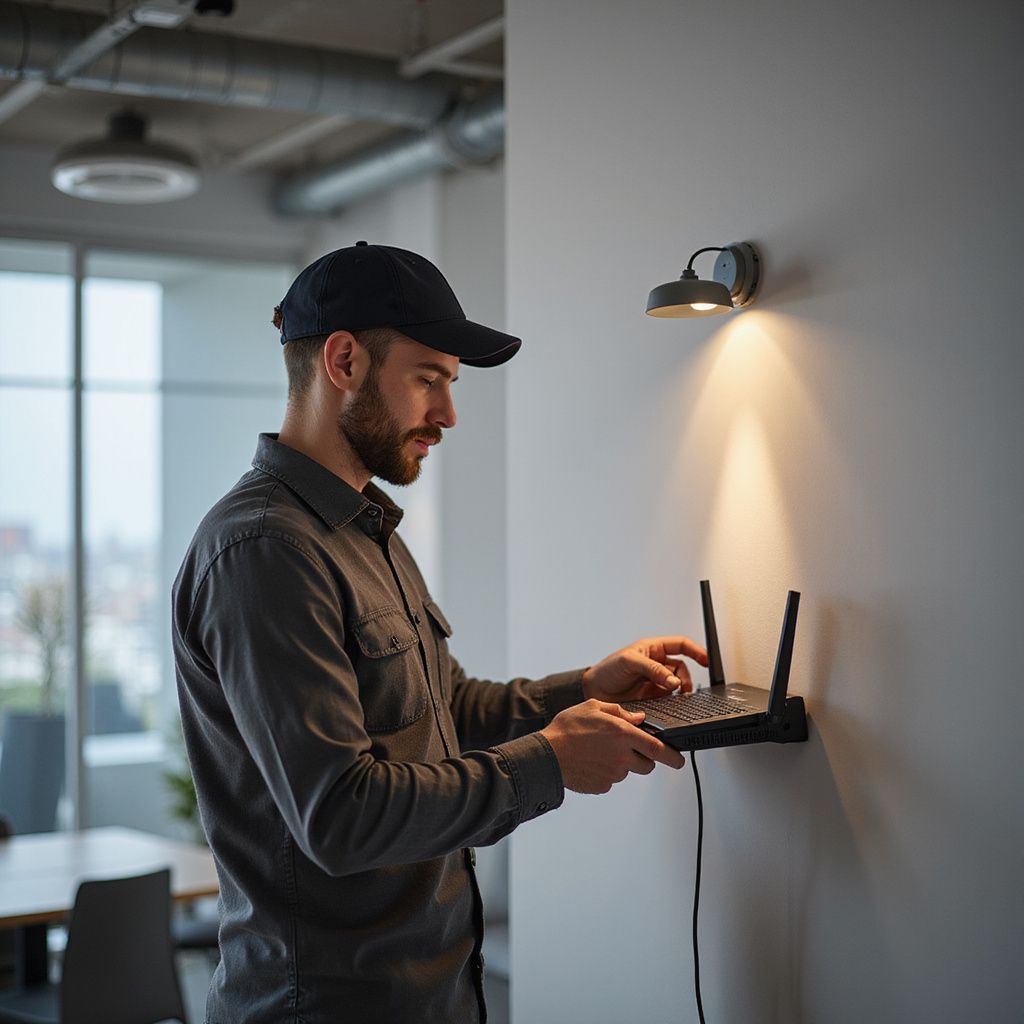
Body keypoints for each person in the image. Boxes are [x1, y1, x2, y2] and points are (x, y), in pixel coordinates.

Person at [172, 241, 707, 1024]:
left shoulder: (366, 529)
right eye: (428, 379)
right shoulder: (265, 551)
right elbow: (340, 816)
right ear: (345, 361)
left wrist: (583, 689)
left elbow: (440, 712)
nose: (448, 415)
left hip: (432, 991)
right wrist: (552, 762)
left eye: (450, 385)